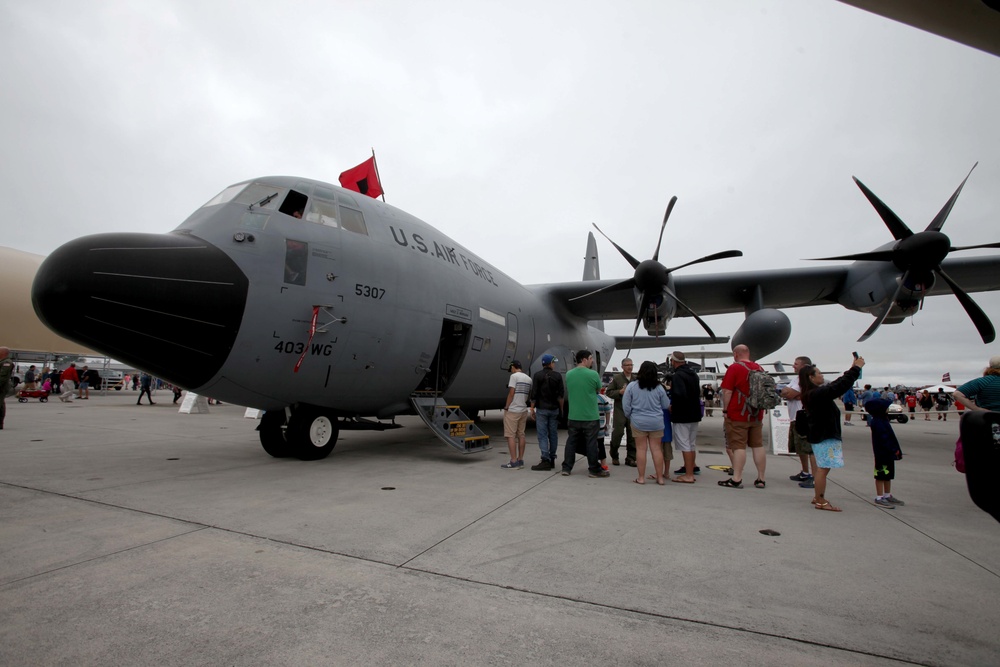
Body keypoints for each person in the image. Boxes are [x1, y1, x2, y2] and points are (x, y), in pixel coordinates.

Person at [800, 354, 865, 512]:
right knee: (824, 468)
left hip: (822, 435)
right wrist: (856, 369)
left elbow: (836, 385)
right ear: (811, 377)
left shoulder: (814, 393)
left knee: (823, 467)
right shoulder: (816, 394)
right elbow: (838, 387)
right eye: (819, 373)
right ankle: (820, 500)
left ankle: (818, 497)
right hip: (824, 436)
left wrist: (852, 369)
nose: (822, 376)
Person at [718, 345, 767, 489]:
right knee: (758, 445)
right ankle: (761, 478)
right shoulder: (759, 367)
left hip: (738, 413)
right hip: (756, 414)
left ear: (735, 354)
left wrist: (726, 411)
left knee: (738, 446)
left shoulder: (734, 368)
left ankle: (737, 478)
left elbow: (727, 391)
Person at [561, 350, 608, 478]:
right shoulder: (593, 374)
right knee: (591, 443)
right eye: (591, 358)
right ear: (584, 359)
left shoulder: (569, 374)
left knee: (571, 442)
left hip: (574, 415)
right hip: (590, 416)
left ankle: (566, 467)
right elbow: (598, 389)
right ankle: (594, 469)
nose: (592, 361)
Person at [623, 360, 670, 485]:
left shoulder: (632, 386)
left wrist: (630, 416)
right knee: (656, 449)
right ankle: (660, 478)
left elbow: (626, 405)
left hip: (638, 421)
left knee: (641, 449)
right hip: (656, 422)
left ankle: (641, 477)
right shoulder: (659, 387)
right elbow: (666, 404)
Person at [667, 351, 702, 484]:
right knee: (691, 443)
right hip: (694, 413)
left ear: (674, 361)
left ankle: (688, 475)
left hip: (683, 415)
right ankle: (691, 467)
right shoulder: (693, 373)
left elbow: (679, 395)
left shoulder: (678, 376)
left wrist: (672, 406)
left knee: (684, 444)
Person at [782, 356, 815, 488]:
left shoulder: (806, 378)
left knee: (809, 448)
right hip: (795, 417)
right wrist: (791, 393)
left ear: (804, 366)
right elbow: (785, 392)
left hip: (804, 417)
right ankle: (805, 472)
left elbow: (789, 394)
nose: (793, 366)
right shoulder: (796, 379)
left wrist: (791, 393)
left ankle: (814, 476)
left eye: (796, 364)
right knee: (800, 448)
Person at [865, 398, 904, 508]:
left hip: (888, 453)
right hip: (882, 453)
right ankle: (879, 496)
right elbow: (884, 439)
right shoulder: (878, 422)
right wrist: (892, 449)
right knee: (881, 474)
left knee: (888, 475)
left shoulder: (883, 420)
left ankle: (887, 495)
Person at [529, 354, 564, 471]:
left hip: (542, 409)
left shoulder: (537, 375)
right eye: (553, 362)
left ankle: (545, 459)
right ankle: (552, 458)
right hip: (554, 409)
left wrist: (532, 409)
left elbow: (534, 394)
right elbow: (561, 396)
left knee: (542, 435)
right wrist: (561, 410)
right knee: (553, 434)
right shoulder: (558, 376)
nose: (554, 364)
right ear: (550, 363)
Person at [605, 359, 637, 466]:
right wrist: (619, 392)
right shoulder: (617, 379)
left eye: (631, 365)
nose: (629, 367)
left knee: (632, 435)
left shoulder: (635, 379)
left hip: (633, 411)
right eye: (627, 365)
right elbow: (608, 392)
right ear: (622, 366)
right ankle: (614, 454)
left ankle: (631, 457)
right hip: (620, 410)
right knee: (618, 433)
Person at [501, 360, 531, 469]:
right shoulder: (529, 379)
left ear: (513, 367)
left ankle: (513, 461)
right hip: (523, 410)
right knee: (521, 434)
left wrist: (507, 406)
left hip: (513, 410)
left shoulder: (514, 377)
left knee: (510, 435)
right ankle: (520, 459)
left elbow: (511, 393)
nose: (511, 372)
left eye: (511, 369)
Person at [0, 347, 14, 429]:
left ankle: (0, 423)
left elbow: (2, 376)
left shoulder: (7, 363)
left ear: (3, 353)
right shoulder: (2, 361)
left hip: (2, 386)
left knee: (0, 404)